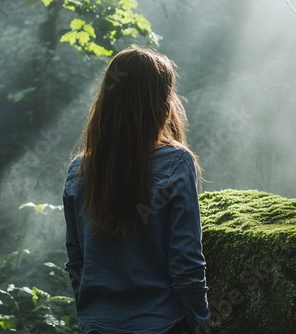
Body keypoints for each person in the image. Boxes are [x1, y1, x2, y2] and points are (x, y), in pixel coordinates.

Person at [62, 47, 210, 334]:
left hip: (96, 325)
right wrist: (202, 322)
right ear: (160, 103)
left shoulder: (79, 170)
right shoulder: (176, 162)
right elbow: (186, 265)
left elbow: (76, 262)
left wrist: (91, 315)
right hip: (161, 324)